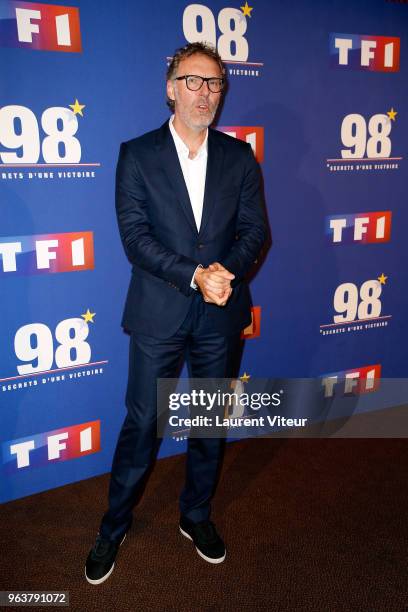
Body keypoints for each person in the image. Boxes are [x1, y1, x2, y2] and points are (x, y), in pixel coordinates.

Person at [85, 41, 267, 584]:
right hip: (158, 314)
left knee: (209, 424)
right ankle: (113, 526)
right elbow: (135, 239)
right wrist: (194, 275)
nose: (204, 93)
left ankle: (196, 516)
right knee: (142, 423)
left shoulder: (239, 156)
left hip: (220, 315)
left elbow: (256, 231)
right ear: (170, 87)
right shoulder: (136, 154)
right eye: (193, 81)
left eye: (214, 84)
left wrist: (223, 274)